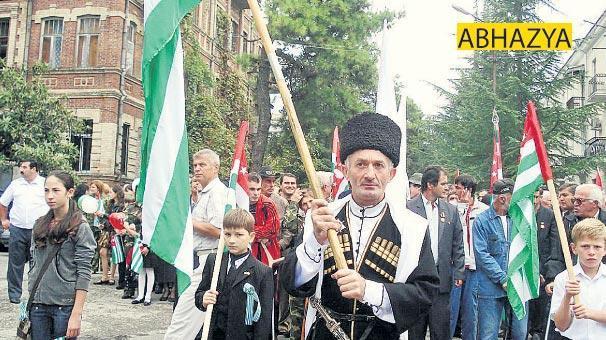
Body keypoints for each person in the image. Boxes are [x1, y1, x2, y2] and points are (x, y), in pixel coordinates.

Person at [281, 113, 439, 339]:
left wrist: (370, 291)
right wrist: (315, 241)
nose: (370, 175)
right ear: (346, 171)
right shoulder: (321, 216)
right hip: (325, 332)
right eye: (361, 164)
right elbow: (293, 284)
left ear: (391, 174)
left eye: (378, 165)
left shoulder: (413, 227)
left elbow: (425, 294)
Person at [165, 149, 227, 340]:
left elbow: (220, 231)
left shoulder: (217, 192)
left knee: (183, 319)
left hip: (210, 260)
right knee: (193, 320)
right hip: (201, 259)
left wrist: (187, 221)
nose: (197, 169)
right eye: (195, 166)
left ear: (215, 168)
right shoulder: (205, 192)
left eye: (202, 165)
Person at [28, 171, 96, 339]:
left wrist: (76, 315)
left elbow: (84, 272)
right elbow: (33, 263)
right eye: (46, 190)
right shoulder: (39, 224)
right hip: (37, 304)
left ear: (69, 192)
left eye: (56, 190)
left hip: (64, 306)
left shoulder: (80, 227)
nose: (50, 196)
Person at [195, 208, 274, 340]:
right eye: (227, 234)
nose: (231, 240)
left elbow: (263, 320)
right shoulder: (214, 261)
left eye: (238, 235)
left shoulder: (263, 272)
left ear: (251, 236)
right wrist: (203, 299)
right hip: (213, 334)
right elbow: (200, 293)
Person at [407, 166, 465, 340]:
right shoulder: (408, 208)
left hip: (441, 281)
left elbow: (458, 244)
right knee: (415, 332)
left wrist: (459, 271)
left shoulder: (451, 211)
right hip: (415, 281)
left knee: (441, 331)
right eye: (443, 183)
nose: (447, 187)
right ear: (430, 185)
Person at [473, 178, 528, 340]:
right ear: (502, 198)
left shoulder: (519, 219)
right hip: (491, 287)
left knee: (520, 333)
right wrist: (502, 279)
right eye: (514, 197)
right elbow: (481, 254)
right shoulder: (482, 221)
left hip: (518, 285)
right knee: (488, 334)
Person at [0, 160, 48, 304]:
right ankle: (14, 294)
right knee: (15, 262)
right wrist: (4, 220)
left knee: (38, 261)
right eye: (21, 166)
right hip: (18, 228)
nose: (21, 169)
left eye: (24, 167)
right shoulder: (16, 184)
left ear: (34, 169)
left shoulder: (44, 184)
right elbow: (3, 203)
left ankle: (36, 293)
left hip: (38, 229)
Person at [551, 218, 606, 339]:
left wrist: (590, 313)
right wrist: (567, 296)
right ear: (574, 248)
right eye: (585, 246)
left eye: (597, 247)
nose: (591, 252)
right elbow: (561, 325)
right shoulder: (563, 278)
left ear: (605, 249)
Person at [450, 174, 489, 340]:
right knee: (451, 310)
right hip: (455, 267)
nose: (455, 191)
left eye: (458, 188)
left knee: (470, 311)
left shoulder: (484, 210)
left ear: (468, 189)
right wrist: (461, 207)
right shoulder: (451, 208)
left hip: (474, 268)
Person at [528, 189, 557, 340]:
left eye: (536, 197)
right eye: (530, 197)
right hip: (524, 269)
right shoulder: (518, 213)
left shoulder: (549, 214)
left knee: (540, 305)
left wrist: (543, 270)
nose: (533, 201)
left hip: (542, 269)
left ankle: (537, 332)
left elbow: (552, 246)